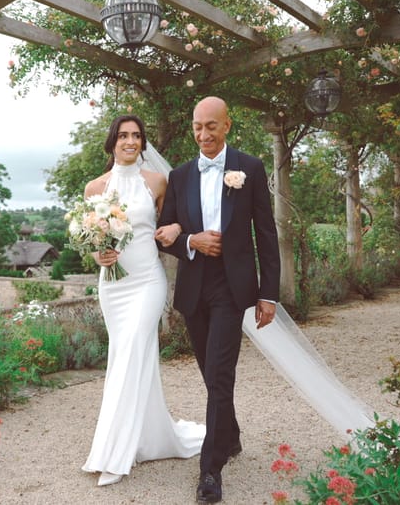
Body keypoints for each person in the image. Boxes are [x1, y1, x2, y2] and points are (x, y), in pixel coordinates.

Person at [154, 96, 280, 503]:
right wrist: (192, 239)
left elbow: (266, 234)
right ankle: (232, 434)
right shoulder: (180, 175)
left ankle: (210, 471)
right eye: (197, 127)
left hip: (232, 287)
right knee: (211, 372)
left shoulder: (252, 168)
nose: (203, 134)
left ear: (227, 125)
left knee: (221, 373)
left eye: (211, 126)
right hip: (194, 287)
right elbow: (165, 233)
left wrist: (268, 294)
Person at [81, 114, 205, 487]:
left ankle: (114, 455)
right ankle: (147, 436)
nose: (130, 141)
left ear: (143, 143)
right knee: (128, 355)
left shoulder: (157, 181)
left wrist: (178, 228)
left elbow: (177, 222)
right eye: (123, 135)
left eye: (136, 136)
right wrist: (98, 255)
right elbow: (91, 240)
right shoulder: (94, 188)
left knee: (133, 350)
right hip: (113, 285)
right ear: (112, 142)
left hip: (148, 280)